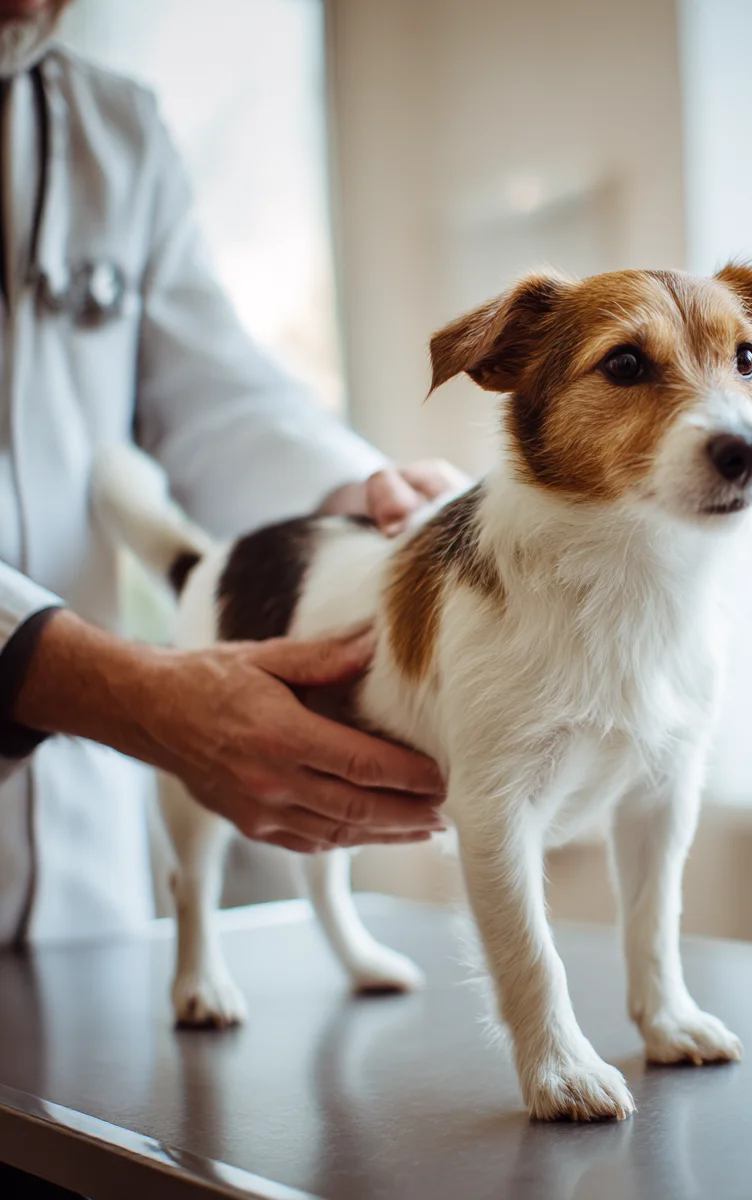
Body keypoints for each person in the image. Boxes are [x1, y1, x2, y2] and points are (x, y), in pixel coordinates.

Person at [0, 0, 459, 945]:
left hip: (81, 882)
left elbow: (214, 395)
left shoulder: (112, 129)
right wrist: (118, 689)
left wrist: (370, 502)